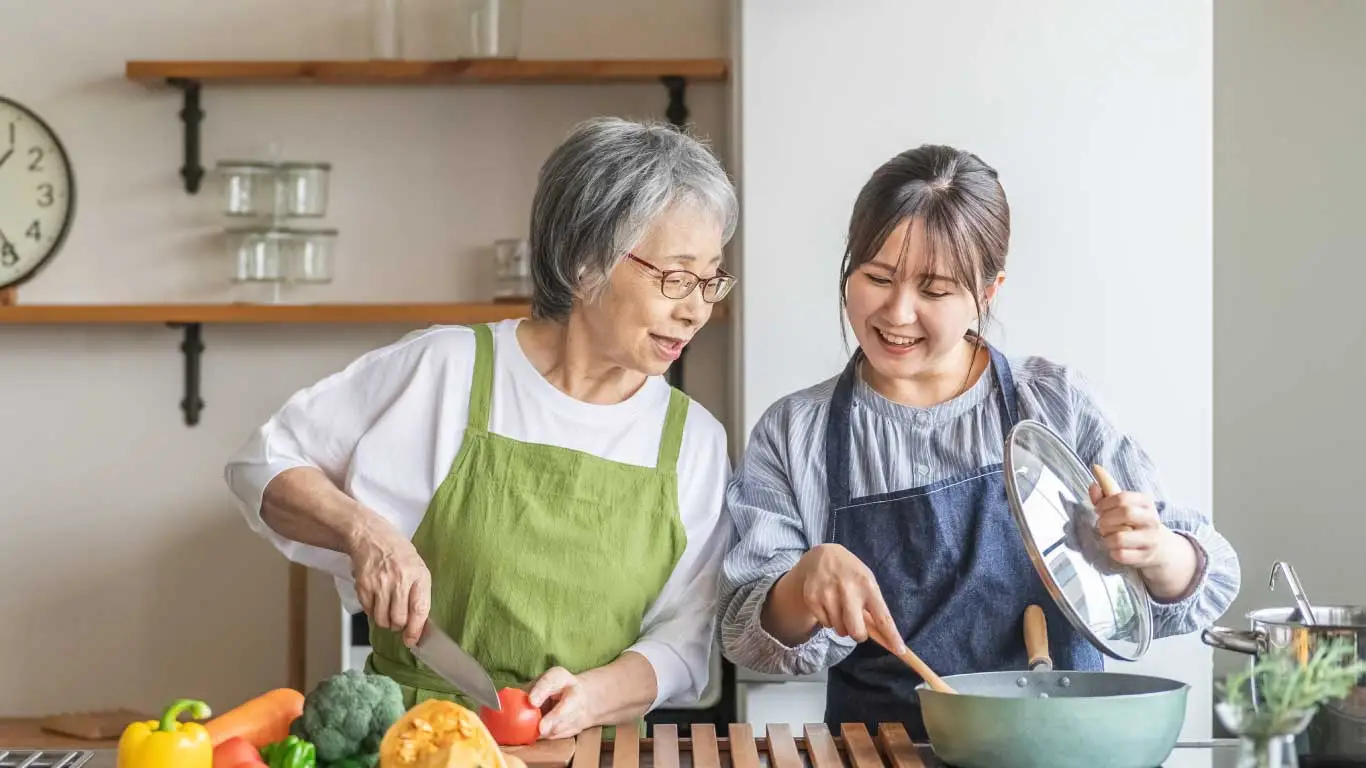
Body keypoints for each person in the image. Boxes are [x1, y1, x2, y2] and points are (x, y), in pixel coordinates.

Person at [225, 117, 739, 739]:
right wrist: (365, 535)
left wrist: (592, 696)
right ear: (584, 264)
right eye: (675, 277)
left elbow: (686, 641)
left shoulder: (696, 443)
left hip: (583, 750)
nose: (696, 309)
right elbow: (264, 463)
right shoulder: (445, 369)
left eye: (710, 279)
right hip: (411, 743)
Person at [715, 144, 1240, 738]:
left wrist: (1156, 551)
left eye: (934, 291)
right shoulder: (795, 433)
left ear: (987, 292)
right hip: (885, 752)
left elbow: (1207, 577)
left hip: (1059, 748)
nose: (898, 312)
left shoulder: (1056, 405)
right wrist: (802, 585)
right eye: (877, 278)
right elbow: (744, 635)